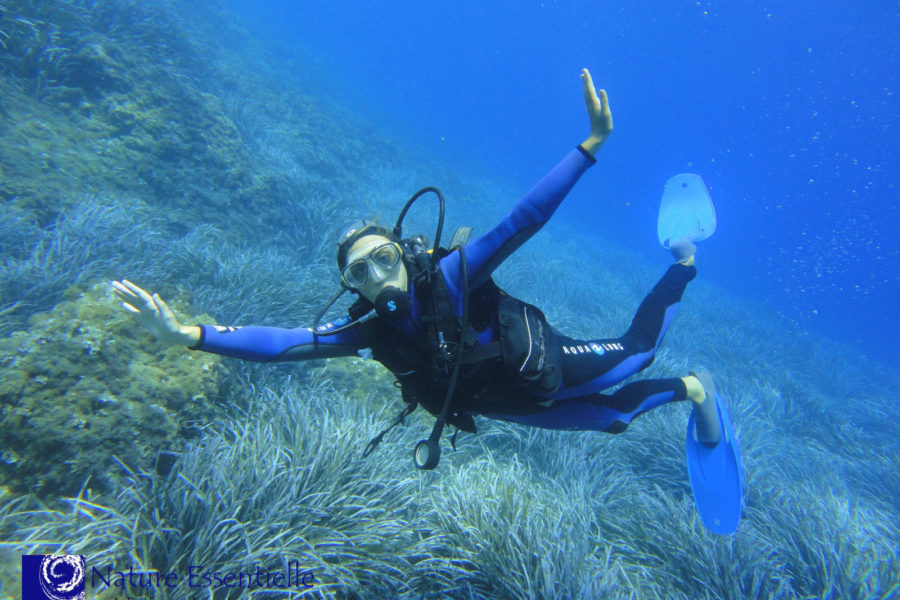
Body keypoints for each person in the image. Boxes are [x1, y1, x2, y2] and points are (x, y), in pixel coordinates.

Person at [113, 68, 721, 470]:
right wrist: (187, 334)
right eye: (359, 274)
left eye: (383, 259)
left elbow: (522, 221)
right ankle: (695, 387)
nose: (378, 279)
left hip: (548, 366)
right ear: (350, 287)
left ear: (403, 254)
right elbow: (282, 344)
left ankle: (684, 263)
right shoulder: (368, 331)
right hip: (507, 401)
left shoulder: (450, 278)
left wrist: (590, 145)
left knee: (640, 352)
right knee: (614, 418)